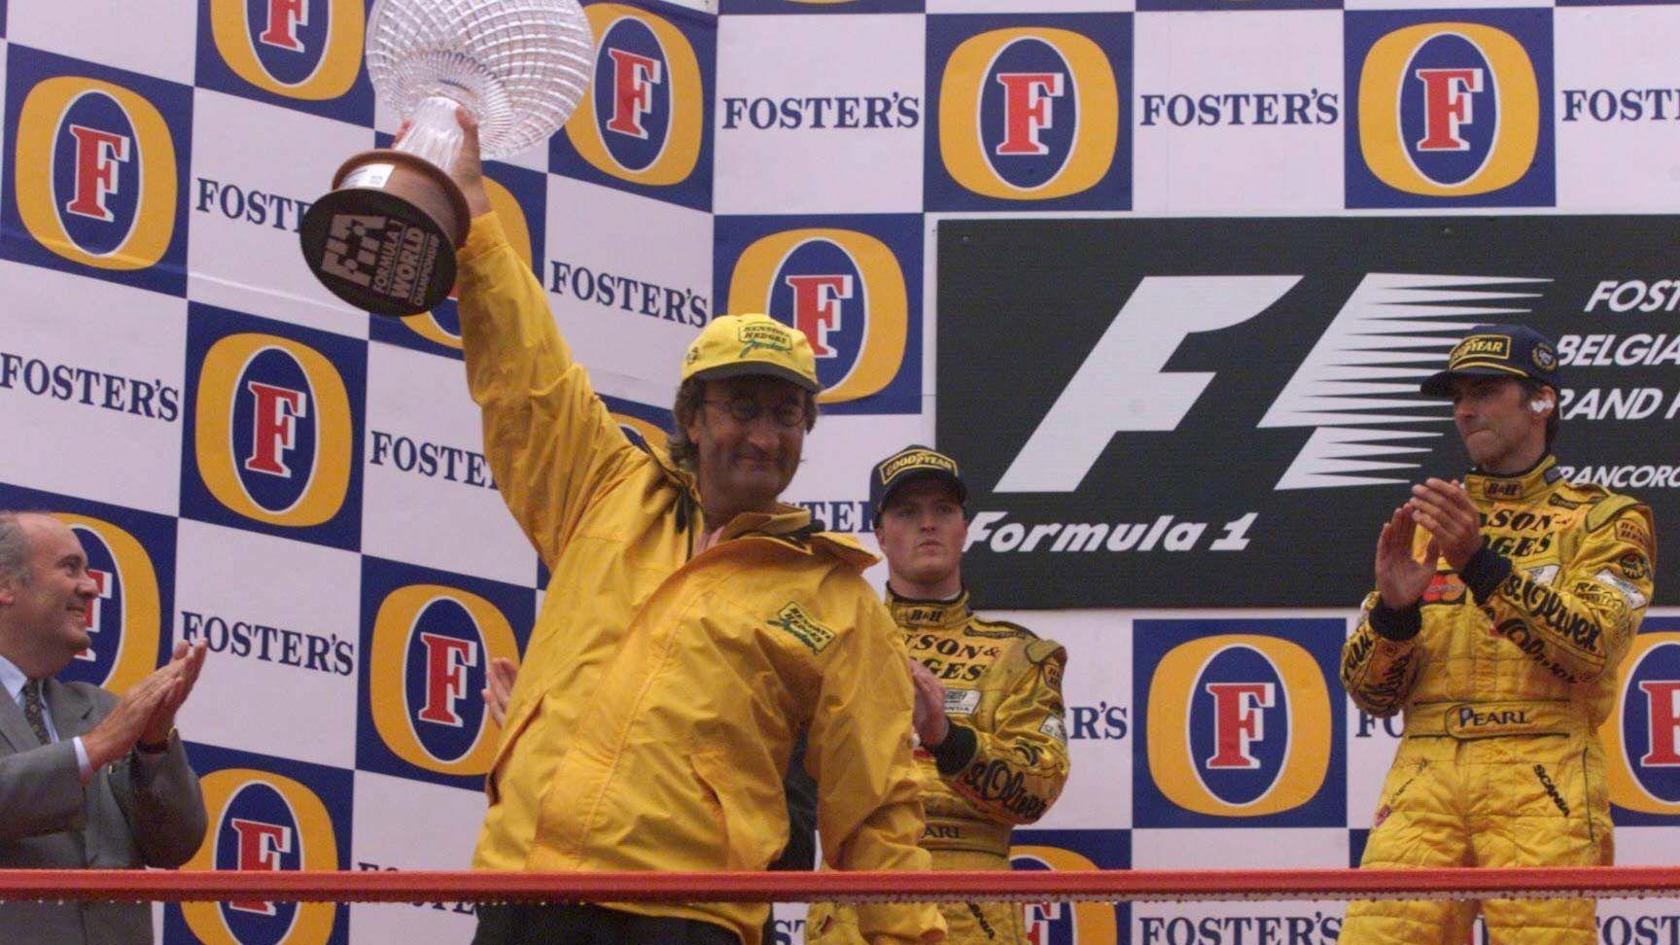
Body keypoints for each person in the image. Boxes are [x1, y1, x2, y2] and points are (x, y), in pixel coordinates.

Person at [449, 110, 942, 945]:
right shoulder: (604, 487)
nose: (763, 434)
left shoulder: (836, 599)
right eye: (741, 407)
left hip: (688, 918)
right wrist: (470, 211)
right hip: (525, 891)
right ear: (691, 416)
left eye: (787, 413)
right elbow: (523, 375)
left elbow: (878, 809)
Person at [1339, 325, 1655, 945]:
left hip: (1545, 776)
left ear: (1542, 401)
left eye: (1485, 390)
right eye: (1457, 395)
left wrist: (1482, 567)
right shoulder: (1433, 522)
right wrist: (1395, 615)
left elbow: (1591, 646)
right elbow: (1372, 697)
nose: (1464, 409)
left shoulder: (1606, 519)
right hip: (1424, 774)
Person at [807, 446, 1071, 945]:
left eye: (943, 510)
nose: (928, 524)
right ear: (880, 534)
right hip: (853, 899)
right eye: (907, 512)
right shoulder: (836, 640)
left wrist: (945, 737)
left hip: (972, 910)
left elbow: (1039, 789)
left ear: (964, 529)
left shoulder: (1020, 654)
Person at [0, 511, 208, 945]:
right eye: (69, 567)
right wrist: (94, 748)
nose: (92, 587)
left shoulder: (101, 710)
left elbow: (177, 845)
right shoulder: (107, 728)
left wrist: (153, 746)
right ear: (5, 585)